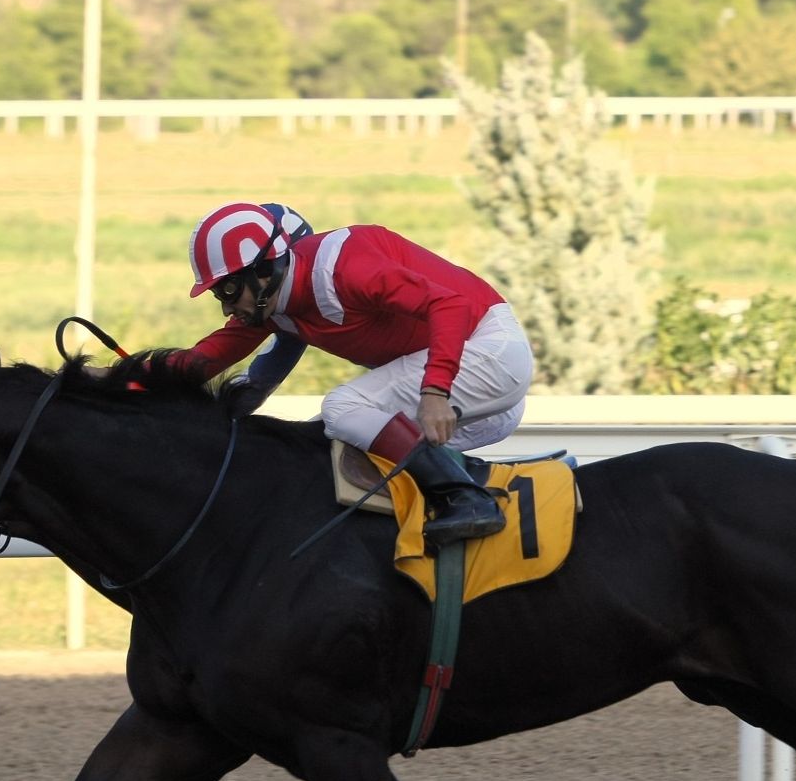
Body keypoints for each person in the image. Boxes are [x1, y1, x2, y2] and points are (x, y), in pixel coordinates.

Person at [173, 201, 533, 547]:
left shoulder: (344, 267)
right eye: (218, 294)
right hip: (468, 378)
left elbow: (450, 305)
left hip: (492, 354)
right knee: (315, 447)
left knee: (342, 407)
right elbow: (202, 360)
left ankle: (469, 501)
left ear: (264, 270)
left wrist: (436, 391)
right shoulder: (272, 305)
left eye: (229, 290)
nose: (226, 308)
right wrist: (138, 386)